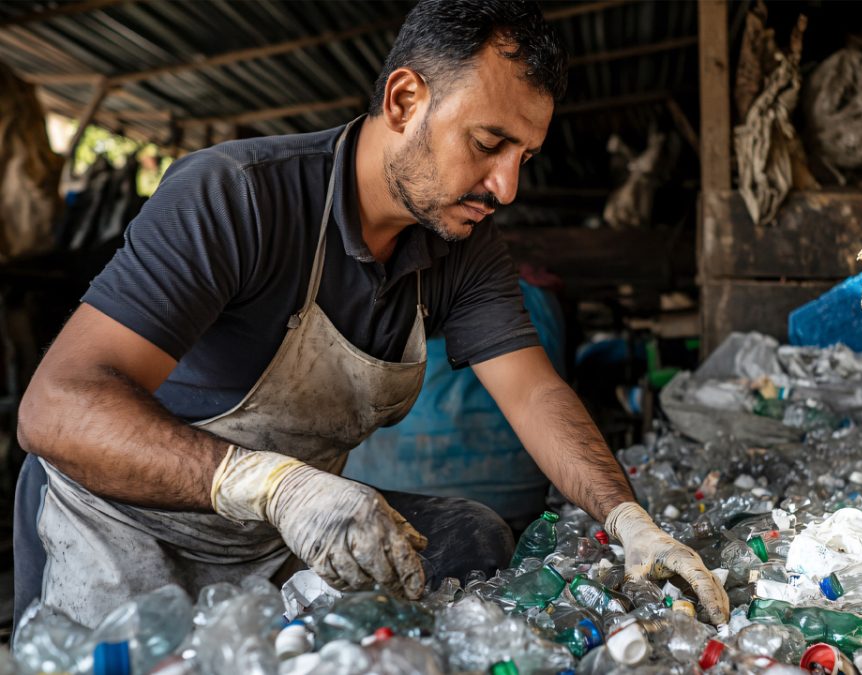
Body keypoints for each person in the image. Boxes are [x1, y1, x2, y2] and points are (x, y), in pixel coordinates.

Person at [14, 0, 730, 626]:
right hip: (130, 526)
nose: (507, 185)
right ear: (403, 99)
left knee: (473, 536)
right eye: (489, 144)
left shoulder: (464, 245)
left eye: (525, 156)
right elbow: (55, 409)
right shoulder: (237, 196)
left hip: (285, 539)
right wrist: (274, 483)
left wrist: (627, 519)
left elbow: (534, 391)